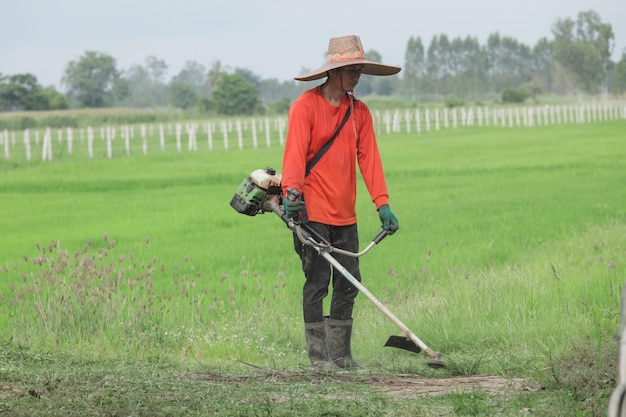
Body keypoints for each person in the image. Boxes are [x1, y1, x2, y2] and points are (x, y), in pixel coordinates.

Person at [281, 35, 400, 371]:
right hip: (311, 211)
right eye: (350, 68)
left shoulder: (359, 112)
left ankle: (342, 356)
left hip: (345, 214)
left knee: (349, 283)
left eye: (359, 68)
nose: (356, 75)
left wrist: (382, 203)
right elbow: (294, 155)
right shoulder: (304, 108)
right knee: (317, 282)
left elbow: (370, 160)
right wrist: (292, 191)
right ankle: (320, 358)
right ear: (333, 71)